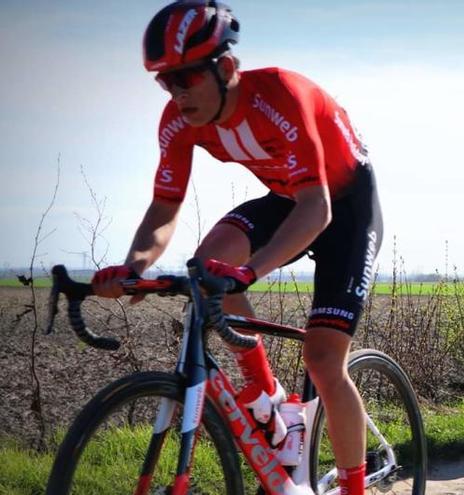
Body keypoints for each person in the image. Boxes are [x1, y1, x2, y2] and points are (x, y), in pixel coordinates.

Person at [91, 2, 380, 492]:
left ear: (225, 68)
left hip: (345, 206)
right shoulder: (178, 121)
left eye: (185, 77)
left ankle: (354, 485)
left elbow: (319, 209)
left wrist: (251, 271)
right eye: (165, 81)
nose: (176, 92)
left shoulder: (280, 96)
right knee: (207, 267)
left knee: (324, 359)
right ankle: (267, 399)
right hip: (288, 199)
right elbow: (164, 208)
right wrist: (133, 266)